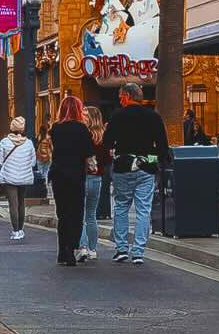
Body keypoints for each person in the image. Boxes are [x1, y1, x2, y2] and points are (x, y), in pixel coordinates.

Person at [104, 84, 167, 265]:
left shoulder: (118, 116)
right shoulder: (153, 117)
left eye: (121, 96)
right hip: (146, 169)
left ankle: (122, 248)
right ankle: (138, 251)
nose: (120, 99)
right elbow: (162, 146)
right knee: (143, 209)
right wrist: (150, 161)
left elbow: (108, 142)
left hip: (123, 167)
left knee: (121, 206)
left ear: (127, 96)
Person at [49, 96, 92, 266]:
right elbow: (87, 152)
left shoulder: (56, 128)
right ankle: (71, 248)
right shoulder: (81, 129)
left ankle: (62, 250)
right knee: (76, 212)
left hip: (58, 173)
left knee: (62, 213)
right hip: (75, 174)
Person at [0, 116, 36, 240]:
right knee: (21, 203)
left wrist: (7, 166)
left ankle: (15, 231)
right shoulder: (29, 143)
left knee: (13, 204)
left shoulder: (4, 142)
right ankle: (21, 229)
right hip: (24, 177)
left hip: (9, 176)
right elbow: (33, 162)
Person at [78, 105, 109, 262]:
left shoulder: (83, 135)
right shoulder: (103, 136)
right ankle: (93, 249)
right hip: (97, 178)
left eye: (84, 115)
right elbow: (107, 159)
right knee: (91, 215)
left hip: (82, 177)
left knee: (81, 215)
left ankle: (82, 247)